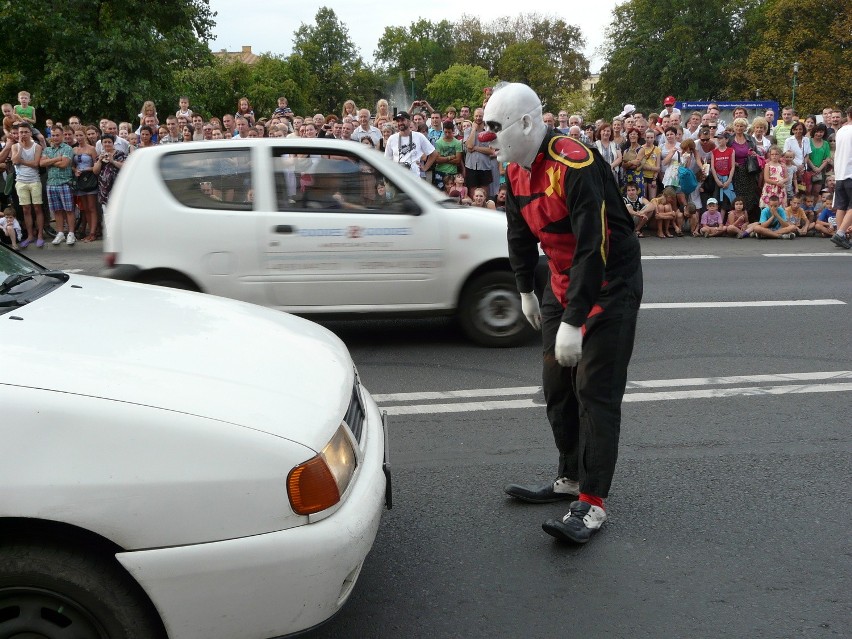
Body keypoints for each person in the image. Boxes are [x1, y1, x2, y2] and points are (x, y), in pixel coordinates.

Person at [484, 82, 642, 545]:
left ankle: (592, 504)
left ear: (527, 123)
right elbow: (518, 232)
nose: (490, 137)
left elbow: (595, 247)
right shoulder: (514, 169)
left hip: (609, 281)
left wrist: (575, 320)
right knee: (557, 384)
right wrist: (524, 290)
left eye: (497, 127)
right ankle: (570, 476)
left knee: (595, 389)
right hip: (559, 278)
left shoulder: (575, 162)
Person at [40, 124, 76, 246]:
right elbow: (41, 163)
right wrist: (56, 159)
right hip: (51, 183)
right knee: (57, 210)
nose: (55, 137)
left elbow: (64, 164)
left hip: (64, 183)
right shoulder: (47, 150)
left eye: (57, 135)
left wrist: (50, 161)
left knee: (69, 210)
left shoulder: (67, 148)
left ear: (62, 136)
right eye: (52, 135)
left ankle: (71, 233)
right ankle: (60, 233)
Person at [11, 123, 45, 248]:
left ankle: (40, 235)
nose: (23, 134)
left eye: (26, 132)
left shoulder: (37, 147)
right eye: (21, 132)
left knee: (37, 208)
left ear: (30, 133)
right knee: (26, 209)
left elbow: (36, 164)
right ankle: (30, 235)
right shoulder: (15, 146)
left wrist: (22, 161)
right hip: (20, 181)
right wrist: (20, 147)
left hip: (34, 180)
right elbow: (15, 160)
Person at [384, 112, 437, 177]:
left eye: (402, 120)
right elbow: (387, 159)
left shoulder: (419, 136)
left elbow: (433, 153)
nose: (400, 123)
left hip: (414, 179)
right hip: (398, 179)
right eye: (398, 121)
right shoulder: (392, 138)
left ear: (409, 122)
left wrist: (425, 168)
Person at [829, 105, 852, 248]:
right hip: (850, 173)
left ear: (848, 115)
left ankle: (839, 233)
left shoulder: (841, 130)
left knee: (841, 206)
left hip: (840, 173)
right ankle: (841, 233)